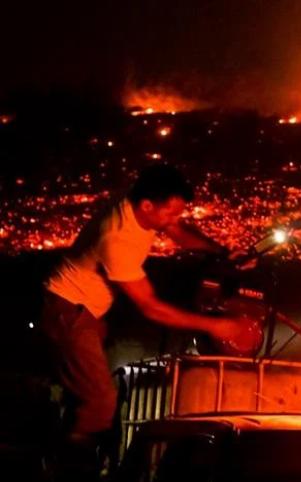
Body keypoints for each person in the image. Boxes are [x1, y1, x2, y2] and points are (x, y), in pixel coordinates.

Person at [40, 164, 245, 462]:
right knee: (100, 401)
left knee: (85, 395)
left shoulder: (139, 202)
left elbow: (176, 231)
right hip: (68, 311)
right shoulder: (117, 238)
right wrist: (215, 326)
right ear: (147, 205)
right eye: (170, 212)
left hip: (88, 311)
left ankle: (74, 452)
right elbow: (150, 307)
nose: (175, 219)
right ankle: (72, 475)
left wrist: (220, 251)